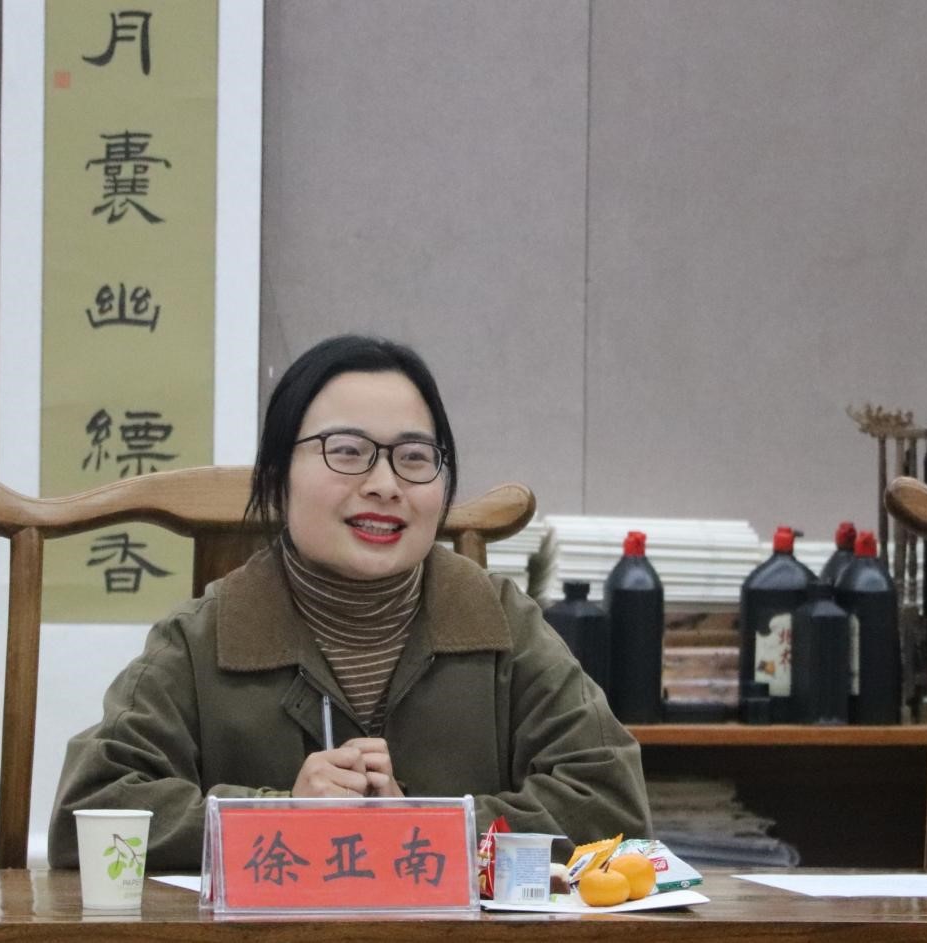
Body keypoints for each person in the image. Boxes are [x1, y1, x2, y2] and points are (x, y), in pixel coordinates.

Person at [48, 335, 650, 869]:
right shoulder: (201, 638)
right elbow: (92, 812)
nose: (385, 485)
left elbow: (609, 801)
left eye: (414, 458)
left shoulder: (500, 623)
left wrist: (422, 826)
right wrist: (279, 814)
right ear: (278, 475)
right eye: (347, 451)